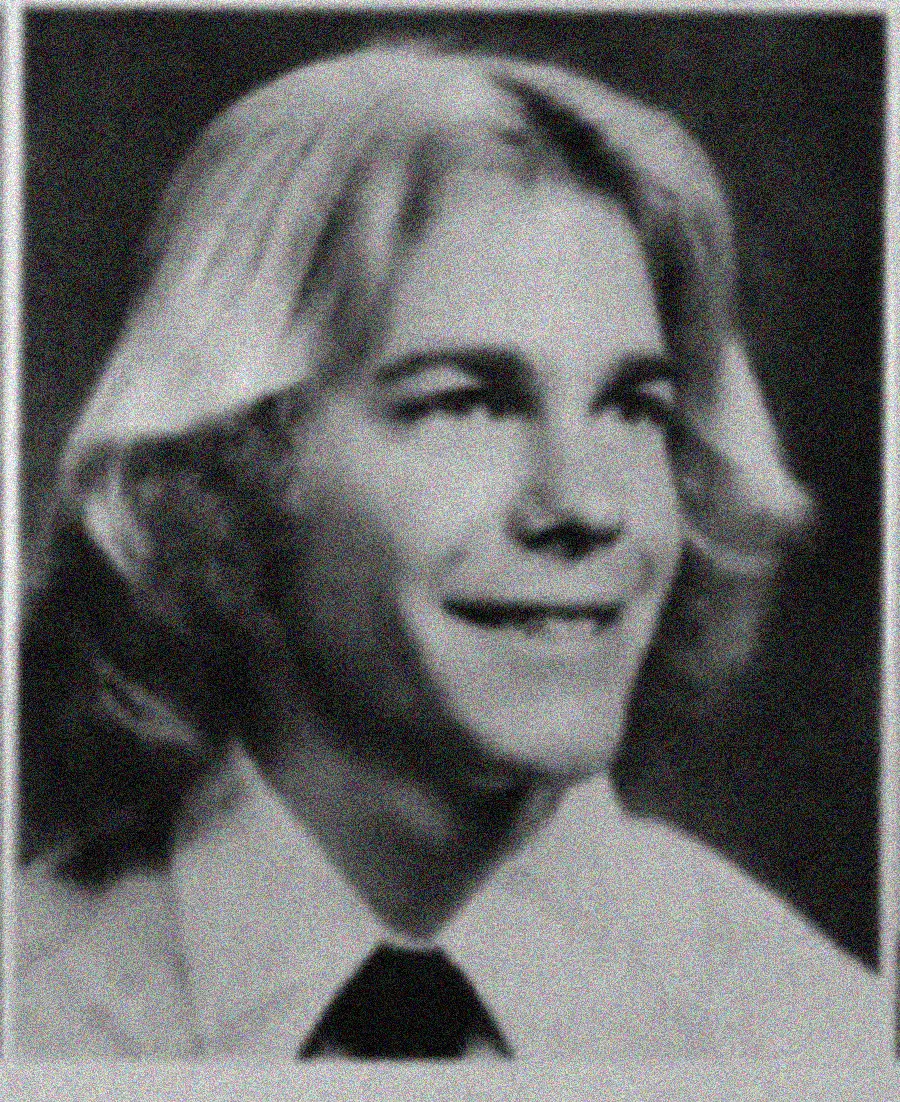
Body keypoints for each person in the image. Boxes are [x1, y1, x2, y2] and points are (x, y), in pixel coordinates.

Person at [15, 41, 887, 1060]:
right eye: (468, 403)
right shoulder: (38, 1016)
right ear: (232, 465)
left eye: (632, 407)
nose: (586, 503)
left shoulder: (811, 1034)